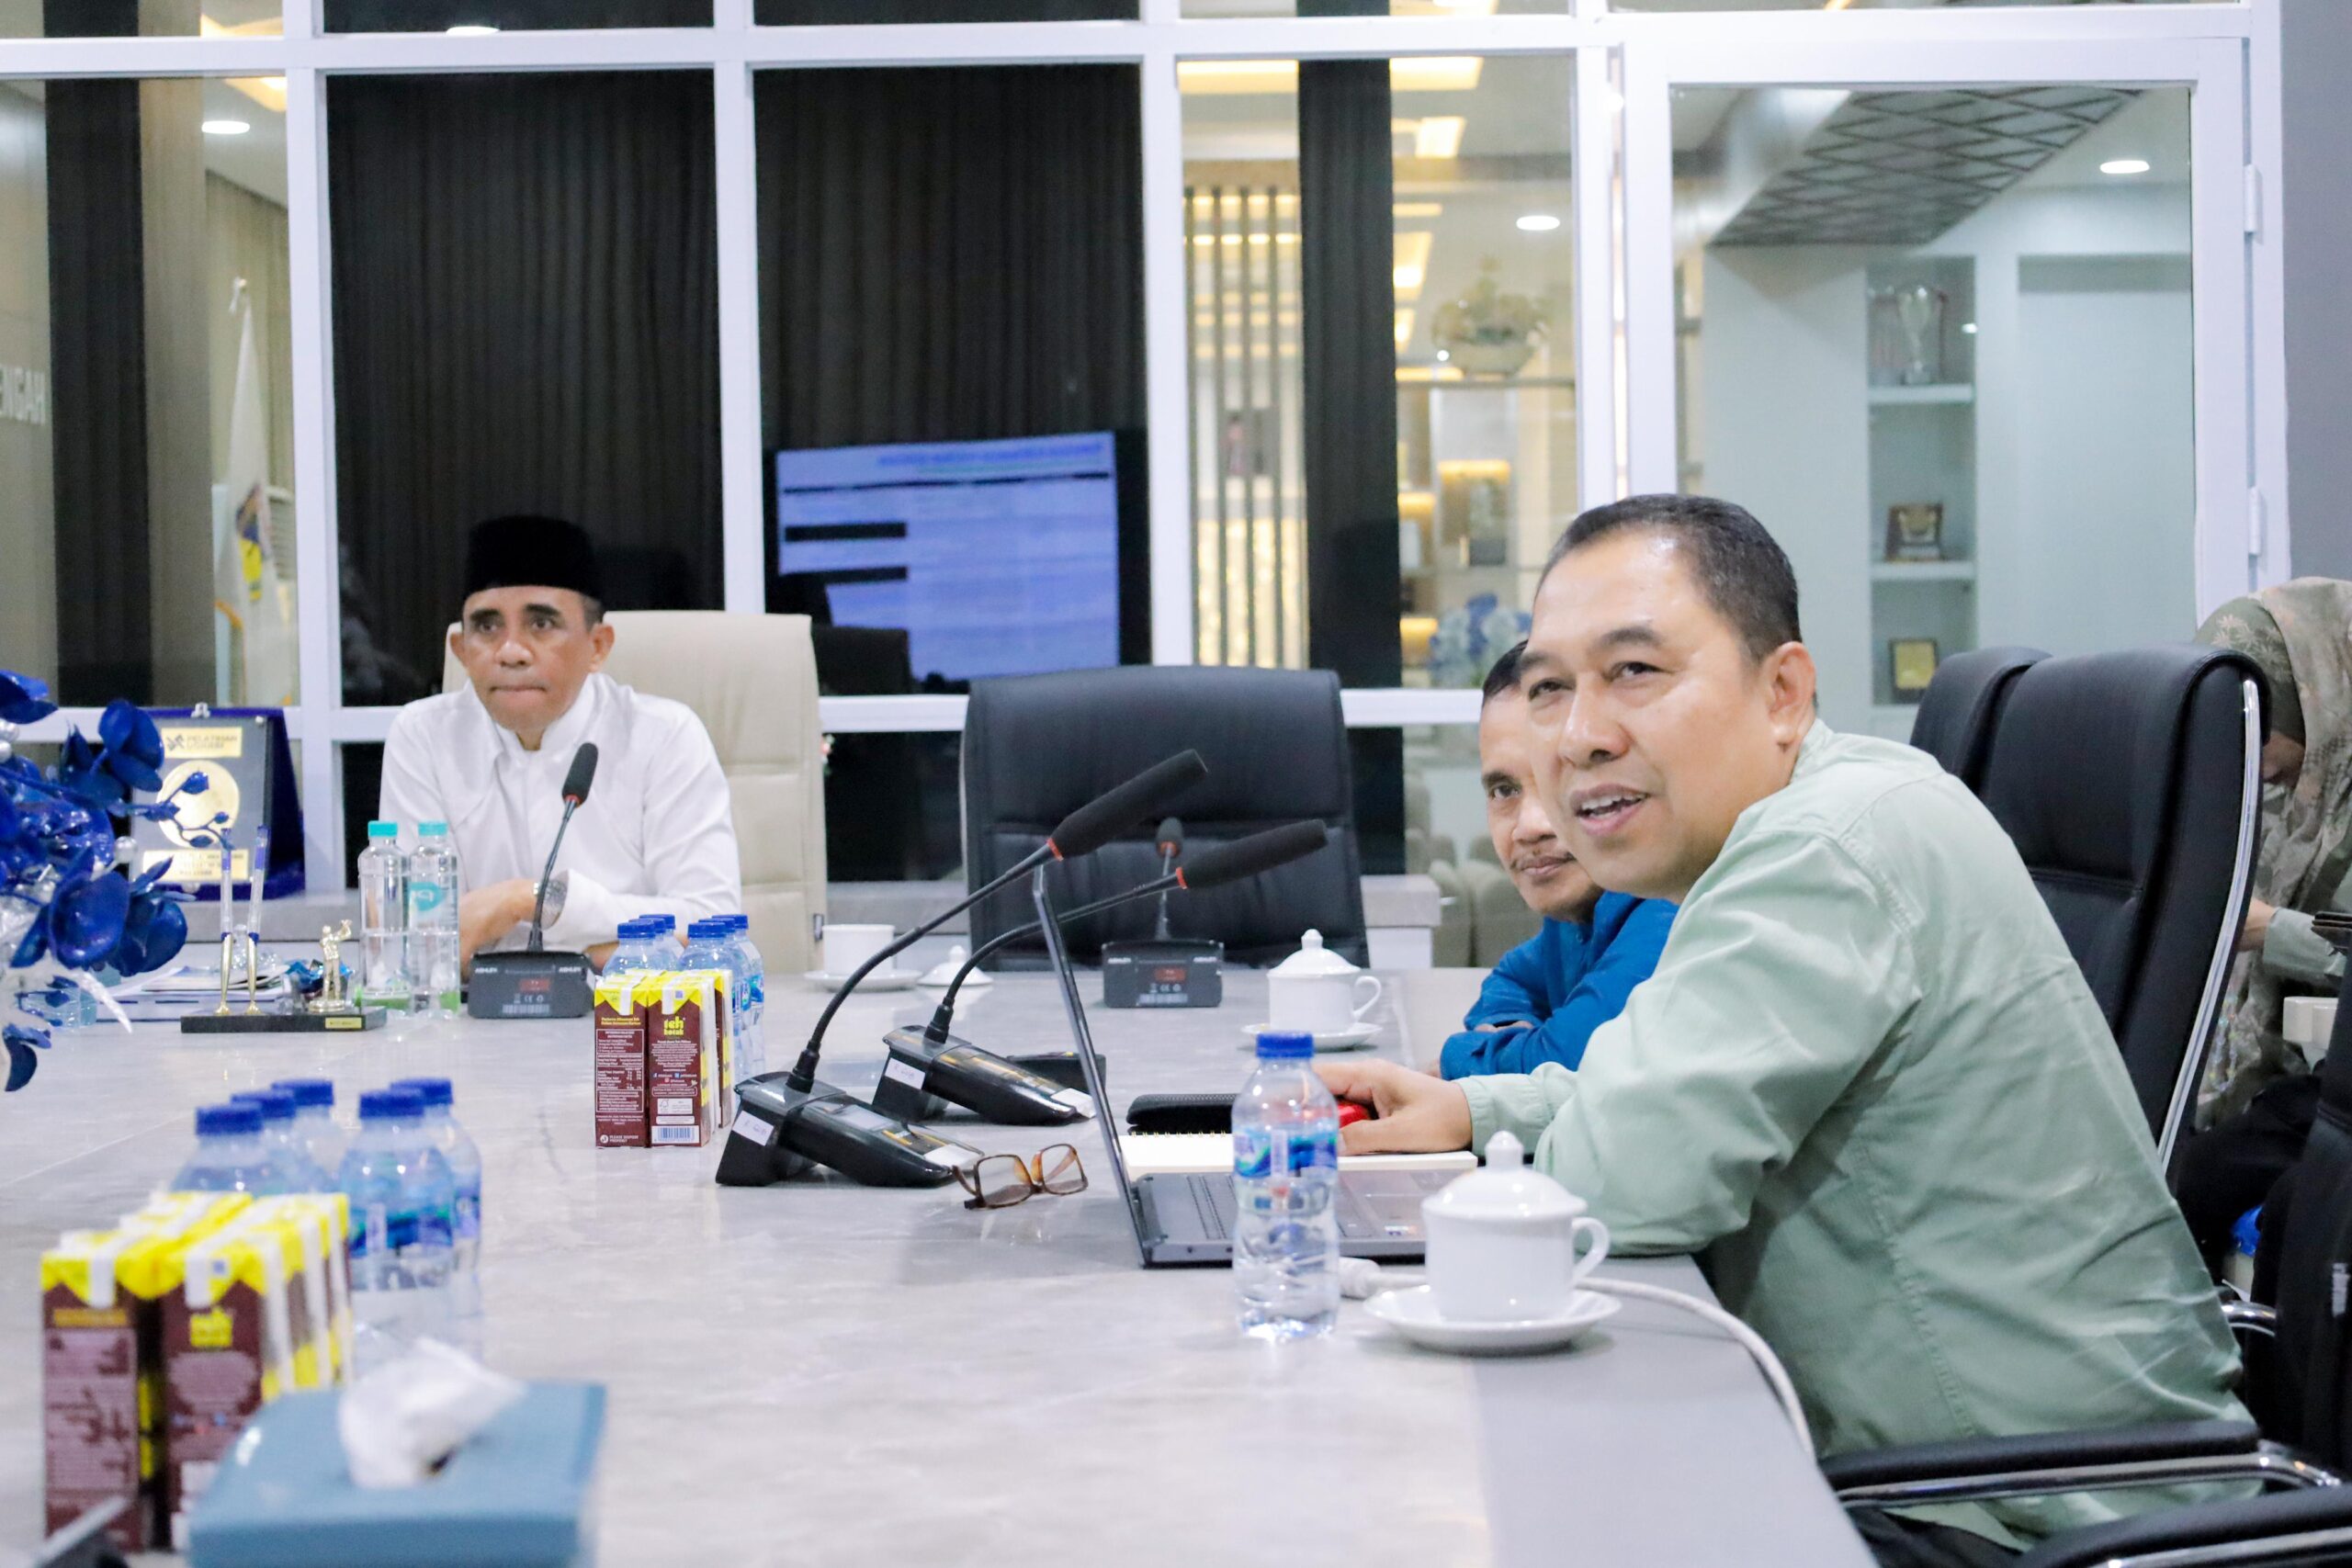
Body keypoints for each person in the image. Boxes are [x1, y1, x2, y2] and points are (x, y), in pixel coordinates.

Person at [1323, 496, 2241, 1566]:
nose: (1577, 737)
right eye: (1550, 689)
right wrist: (1472, 1111)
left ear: (1783, 693)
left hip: (2026, 1515)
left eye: (1634, 671)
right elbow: (1650, 1089)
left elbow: (1617, 1188)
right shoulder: (1816, 817)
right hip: (1963, 1474)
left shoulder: (1819, 852)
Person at [379, 514, 741, 971]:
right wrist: (606, 953)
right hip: (472, 1015)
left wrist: (532, 901)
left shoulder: (663, 736)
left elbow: (713, 928)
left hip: (633, 1013)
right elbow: (408, 940)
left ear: (598, 646)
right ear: (461, 651)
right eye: (487, 627)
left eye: (541, 624)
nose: (511, 651)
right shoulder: (424, 737)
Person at [2174, 581, 2352, 1270]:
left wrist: (2268, 930)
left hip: (2329, 1084)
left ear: (2308, 699)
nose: (2251, 761)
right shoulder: (2292, 796)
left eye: (2258, 734)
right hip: (2301, 1076)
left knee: (2200, 1180)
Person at [1439, 641, 1673, 1077]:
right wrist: (1509, 1031)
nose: (1530, 827)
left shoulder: (1666, 906)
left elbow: (1564, 1062)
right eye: (1504, 791)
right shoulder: (1578, 915)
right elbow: (1511, 980)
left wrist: (1461, 1055)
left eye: (1560, 778)